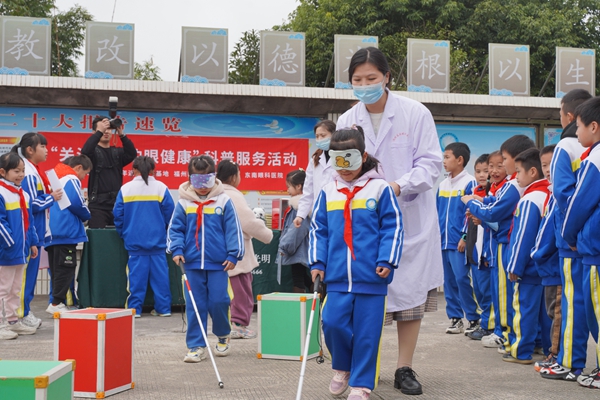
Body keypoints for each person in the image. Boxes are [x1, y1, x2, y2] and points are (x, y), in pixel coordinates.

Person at [336, 47, 442, 396]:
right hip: (363, 222)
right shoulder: (347, 119)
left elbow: (430, 164)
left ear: (387, 77)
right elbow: (339, 169)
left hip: (408, 215)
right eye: (357, 80)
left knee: (408, 301)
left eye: (371, 78)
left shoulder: (415, 113)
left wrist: (397, 186)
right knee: (363, 298)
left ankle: (403, 367)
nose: (364, 85)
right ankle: (362, 367)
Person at [309, 126, 403, 400]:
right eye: (338, 160)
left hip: (371, 276)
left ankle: (361, 384)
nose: (344, 166)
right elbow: (319, 230)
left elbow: (393, 227)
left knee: (366, 334)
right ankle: (342, 368)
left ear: (362, 156)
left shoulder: (380, 188)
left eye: (349, 158)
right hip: (337, 276)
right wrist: (317, 262)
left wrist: (388, 258)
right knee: (332, 322)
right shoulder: (328, 191)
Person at [463, 135, 536, 354]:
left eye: (503, 160)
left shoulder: (514, 185)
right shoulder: (512, 184)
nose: (501, 166)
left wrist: (473, 204)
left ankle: (504, 334)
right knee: (499, 291)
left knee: (505, 292)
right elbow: (493, 204)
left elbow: (495, 212)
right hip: (500, 243)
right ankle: (505, 333)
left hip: (505, 243)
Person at [167, 155, 244, 363]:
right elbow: (175, 230)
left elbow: (233, 230)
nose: (202, 187)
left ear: (214, 177)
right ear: (190, 178)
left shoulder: (224, 201)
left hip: (218, 263)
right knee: (195, 304)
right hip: (191, 264)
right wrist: (177, 250)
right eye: (197, 181)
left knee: (219, 301)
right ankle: (196, 345)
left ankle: (222, 335)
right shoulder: (183, 203)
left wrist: (233, 254)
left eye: (206, 181)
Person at [539, 88, 592, 381]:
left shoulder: (565, 148)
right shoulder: (588, 148)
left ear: (570, 116)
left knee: (573, 302)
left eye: (559, 114)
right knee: (582, 301)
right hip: (586, 239)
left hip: (571, 240)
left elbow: (562, 195)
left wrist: (569, 233)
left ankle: (570, 362)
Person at [561, 96, 600, 388]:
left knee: (596, 313)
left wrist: (570, 236)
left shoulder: (596, 158)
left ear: (594, 127)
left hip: (594, 252)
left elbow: (578, 204)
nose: (576, 133)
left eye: (578, 127)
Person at [501, 148, 551, 364]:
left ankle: (520, 351)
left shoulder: (530, 199)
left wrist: (514, 267)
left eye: (518, 171)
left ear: (532, 172)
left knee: (524, 310)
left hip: (528, 268)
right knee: (543, 312)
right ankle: (544, 346)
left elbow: (523, 237)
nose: (516, 176)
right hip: (543, 268)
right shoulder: (548, 194)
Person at [217, 159, 272, 339]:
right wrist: (267, 235)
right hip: (236, 253)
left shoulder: (215, 194)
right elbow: (248, 222)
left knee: (228, 292)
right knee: (240, 290)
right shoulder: (232, 195)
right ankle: (238, 326)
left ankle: (230, 325)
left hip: (220, 252)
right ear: (233, 176)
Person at [113, 156, 175, 318]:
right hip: (158, 243)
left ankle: (135, 310)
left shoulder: (125, 189)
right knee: (161, 278)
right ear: (153, 170)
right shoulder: (161, 188)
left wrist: (125, 234)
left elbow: (118, 216)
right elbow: (171, 217)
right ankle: (164, 309)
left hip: (135, 243)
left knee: (135, 279)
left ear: (134, 170)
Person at [12, 132, 62, 329]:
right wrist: (52, 197)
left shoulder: (33, 170)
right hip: (29, 233)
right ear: (30, 150)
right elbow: (30, 204)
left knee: (28, 276)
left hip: (35, 233)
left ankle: (24, 312)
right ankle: (20, 314)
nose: (47, 150)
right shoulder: (29, 173)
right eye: (43, 146)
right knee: (24, 277)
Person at [436, 142, 479, 334]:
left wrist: (464, 236)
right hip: (443, 241)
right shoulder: (443, 184)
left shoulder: (469, 183)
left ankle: (473, 317)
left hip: (458, 242)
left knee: (462, 279)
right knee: (449, 281)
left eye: (447, 157)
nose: (443, 161)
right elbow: (437, 213)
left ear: (459, 160)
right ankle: (455, 318)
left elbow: (470, 213)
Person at [44, 155, 92, 314]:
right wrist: (87, 215)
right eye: (84, 174)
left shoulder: (56, 178)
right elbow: (76, 202)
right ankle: (56, 304)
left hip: (53, 232)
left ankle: (56, 302)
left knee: (57, 270)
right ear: (78, 168)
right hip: (66, 231)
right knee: (66, 268)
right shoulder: (70, 178)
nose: (83, 178)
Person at [0, 152, 39, 339]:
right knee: (3, 288)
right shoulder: (1, 193)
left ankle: (12, 321)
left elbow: (29, 222)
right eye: (16, 171)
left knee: (15, 288)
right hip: (5, 252)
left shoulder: (23, 194)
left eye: (23, 170)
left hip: (20, 251)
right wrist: (11, 244)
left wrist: (32, 243)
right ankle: (1, 324)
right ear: (3, 172)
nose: (21, 174)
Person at [530, 145, 562, 372]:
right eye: (544, 165)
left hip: (554, 265)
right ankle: (554, 353)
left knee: (557, 312)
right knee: (552, 311)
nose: (548, 169)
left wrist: (537, 254)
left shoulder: (558, 194)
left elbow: (551, 233)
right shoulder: (551, 193)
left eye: (552, 164)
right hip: (548, 266)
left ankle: (556, 355)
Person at [81, 116, 137, 229]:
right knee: (98, 239)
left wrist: (122, 134)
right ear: (94, 132)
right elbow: (85, 152)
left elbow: (132, 154)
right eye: (103, 129)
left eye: (109, 129)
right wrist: (99, 132)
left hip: (117, 205)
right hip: (97, 206)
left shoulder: (117, 152)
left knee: (117, 240)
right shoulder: (93, 153)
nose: (106, 132)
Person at [465, 153, 494, 340]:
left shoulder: (492, 195)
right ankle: (485, 323)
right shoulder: (473, 193)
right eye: (478, 171)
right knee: (479, 288)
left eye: (486, 171)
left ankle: (488, 325)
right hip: (475, 248)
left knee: (488, 289)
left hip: (487, 250)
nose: (482, 175)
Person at [294, 120, 335, 228]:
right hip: (319, 212)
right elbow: (308, 190)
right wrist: (300, 215)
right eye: (317, 136)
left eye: (323, 135)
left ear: (334, 135)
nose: (319, 139)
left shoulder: (341, 158)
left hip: (337, 210)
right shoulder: (314, 160)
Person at [279, 169, 312, 293]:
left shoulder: (299, 206)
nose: (287, 190)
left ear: (299, 186)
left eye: (289, 187)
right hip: (301, 247)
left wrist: (285, 246)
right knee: (303, 276)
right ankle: (318, 295)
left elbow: (296, 230)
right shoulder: (305, 204)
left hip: (297, 248)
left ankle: (299, 307)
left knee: (298, 278)